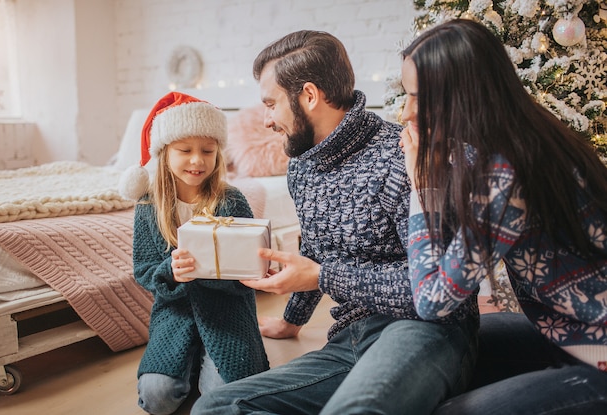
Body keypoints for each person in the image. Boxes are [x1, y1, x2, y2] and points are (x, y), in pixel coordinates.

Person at [192, 30, 479, 415]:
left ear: (309, 96)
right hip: (348, 339)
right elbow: (315, 251)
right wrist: (293, 320)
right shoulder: (302, 167)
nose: (266, 120)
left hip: (424, 331)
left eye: (271, 104)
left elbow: (439, 296)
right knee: (213, 409)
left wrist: (321, 277)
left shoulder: (404, 159)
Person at [399, 19, 607, 415]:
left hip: (598, 347)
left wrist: (421, 188)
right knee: (453, 345)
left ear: (462, 97)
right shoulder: (512, 135)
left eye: (418, 97)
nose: (407, 112)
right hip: (571, 329)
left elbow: (432, 300)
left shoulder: (507, 174)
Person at [118, 92, 269, 415]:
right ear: (164, 153)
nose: (197, 160)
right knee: (156, 398)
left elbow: (250, 271)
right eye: (184, 150)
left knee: (224, 398)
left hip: (229, 311)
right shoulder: (149, 207)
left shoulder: (233, 201)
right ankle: (188, 366)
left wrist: (243, 269)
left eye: (208, 151)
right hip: (175, 313)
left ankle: (205, 368)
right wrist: (171, 271)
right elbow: (144, 269)